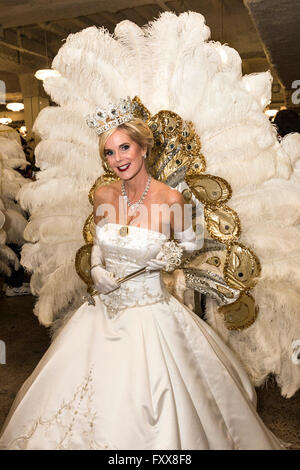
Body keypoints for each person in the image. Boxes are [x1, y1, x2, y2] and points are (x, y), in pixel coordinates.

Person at [0, 101, 284, 450]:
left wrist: (171, 255)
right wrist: (96, 269)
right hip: (101, 314)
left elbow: (190, 243)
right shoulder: (104, 194)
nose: (118, 158)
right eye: (109, 152)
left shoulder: (171, 199)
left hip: (152, 315)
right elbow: (100, 244)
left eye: (125, 147)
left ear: (143, 148)